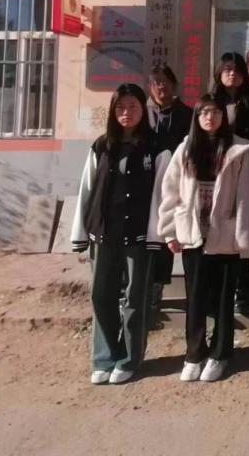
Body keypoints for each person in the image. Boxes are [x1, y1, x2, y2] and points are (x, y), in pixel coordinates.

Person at [71, 83, 169, 385]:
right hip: (104, 234)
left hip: (139, 236)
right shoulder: (102, 146)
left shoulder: (156, 148)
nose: (127, 112)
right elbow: (87, 189)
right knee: (101, 295)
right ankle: (104, 358)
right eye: (121, 107)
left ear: (144, 110)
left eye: (133, 106)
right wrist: (80, 232)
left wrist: (157, 234)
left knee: (134, 300)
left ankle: (128, 359)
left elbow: (162, 195)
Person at [157, 92, 249, 382]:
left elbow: (246, 197)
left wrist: (245, 240)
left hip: (225, 235)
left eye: (215, 112)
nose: (209, 117)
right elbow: (170, 191)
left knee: (224, 299)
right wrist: (169, 231)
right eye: (204, 112)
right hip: (193, 233)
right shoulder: (186, 148)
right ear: (197, 117)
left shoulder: (238, 150)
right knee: (196, 298)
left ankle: (220, 353)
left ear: (223, 117)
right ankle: (194, 353)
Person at [212, 52, 249, 314]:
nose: (232, 74)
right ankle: (218, 289)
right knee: (217, 228)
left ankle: (244, 290)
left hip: (247, 172)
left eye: (236, 70)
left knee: (243, 229)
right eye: (227, 69)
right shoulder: (211, 102)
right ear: (219, 72)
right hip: (215, 175)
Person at [145, 64, 194, 327]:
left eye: (165, 81)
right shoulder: (142, 113)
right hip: (144, 186)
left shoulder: (187, 114)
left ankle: (159, 294)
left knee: (169, 236)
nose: (161, 86)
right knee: (147, 239)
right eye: (156, 82)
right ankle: (145, 295)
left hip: (176, 186)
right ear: (149, 86)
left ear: (174, 85)